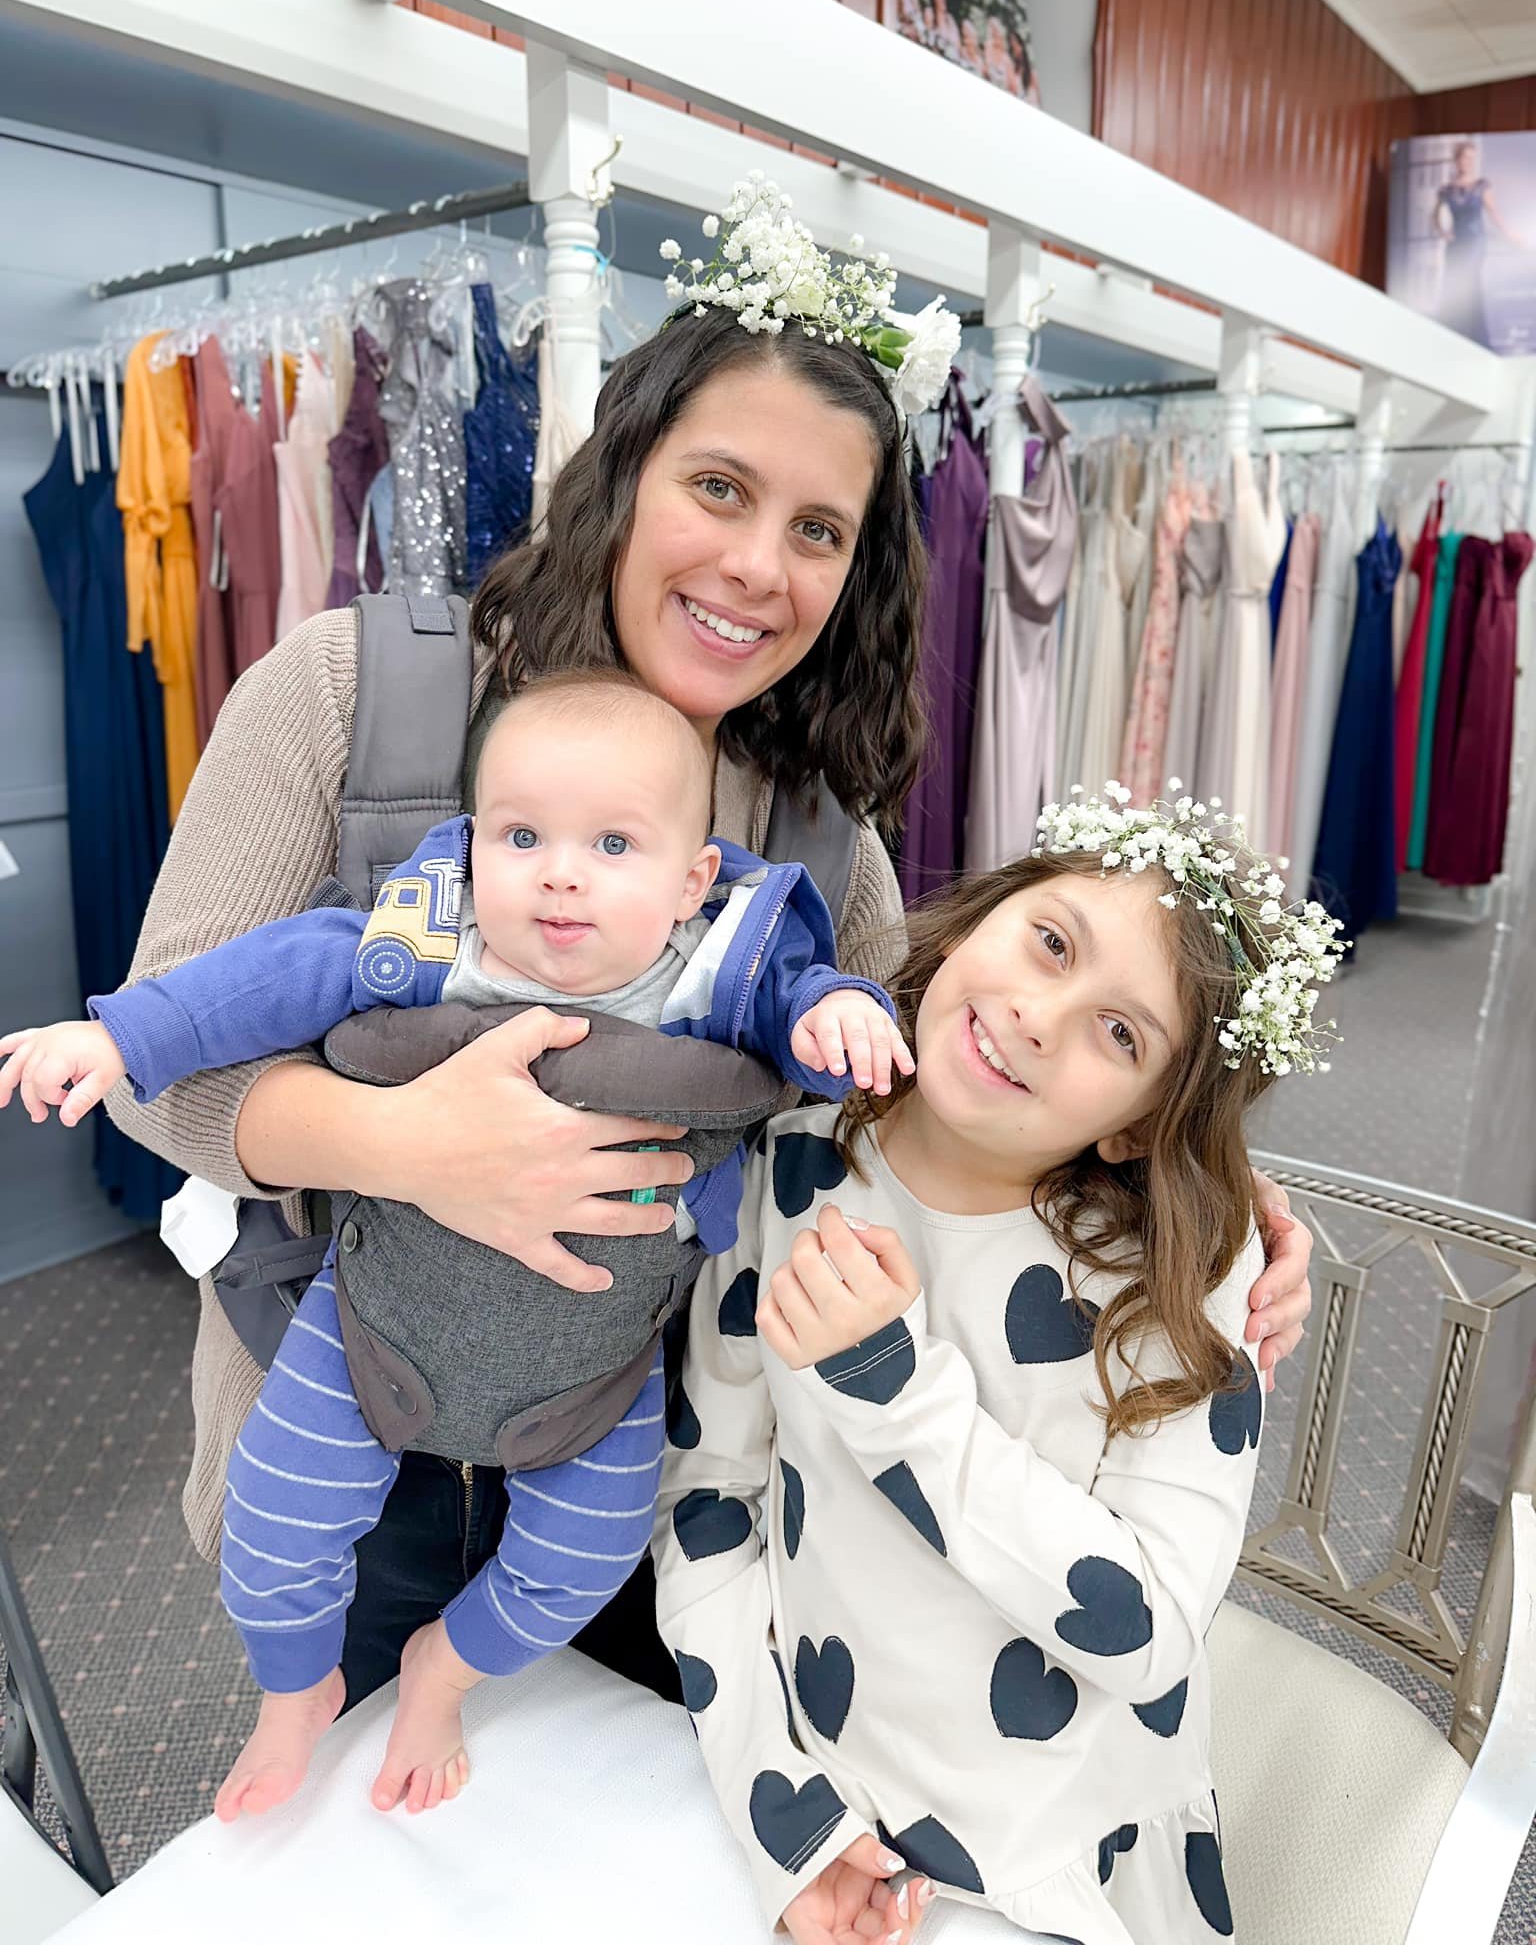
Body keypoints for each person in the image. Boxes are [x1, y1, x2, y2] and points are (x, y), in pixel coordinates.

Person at [79, 172, 1314, 1726]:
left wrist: (1203, 1211)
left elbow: (940, 1105)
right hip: (332, 1437)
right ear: (624, 469)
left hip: (633, 1474)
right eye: (718, 488)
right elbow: (149, 1072)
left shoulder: (822, 848)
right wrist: (408, 1145)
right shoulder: (348, 692)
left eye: (817, 530)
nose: (756, 566)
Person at [0, 669, 909, 1820]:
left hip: (596, 1372)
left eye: (614, 843)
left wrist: (838, 1015)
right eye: (521, 834)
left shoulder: (718, 975)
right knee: (269, 1530)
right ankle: (296, 1690)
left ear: (693, 883)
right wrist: (121, 1036)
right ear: (473, 844)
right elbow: (269, 974)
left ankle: (445, 1668)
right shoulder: (434, 941)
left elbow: (818, 1037)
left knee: (580, 1564)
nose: (560, 871)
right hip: (373, 1327)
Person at [655, 787, 1345, 1945]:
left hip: (1061, 1863)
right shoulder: (789, 1169)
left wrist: (892, 1385)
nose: (1037, 1014)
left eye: (1119, 1032)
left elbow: (1149, 1624)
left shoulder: (1183, 1276)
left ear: (1137, 1123)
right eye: (1051, 941)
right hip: (819, 1800)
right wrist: (784, 1809)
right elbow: (709, 1497)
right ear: (987, 911)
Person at [1434, 140, 1526, 348]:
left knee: (1472, 285)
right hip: (1456, 245)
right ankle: (1451, 334)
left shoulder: (1481, 185)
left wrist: (1510, 234)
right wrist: (1443, 232)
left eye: (1471, 158)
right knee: (1454, 284)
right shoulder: (1446, 190)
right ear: (1456, 160)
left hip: (1476, 243)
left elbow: (1494, 215)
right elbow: (1434, 216)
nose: (1467, 162)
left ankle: (1476, 339)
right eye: (1464, 157)